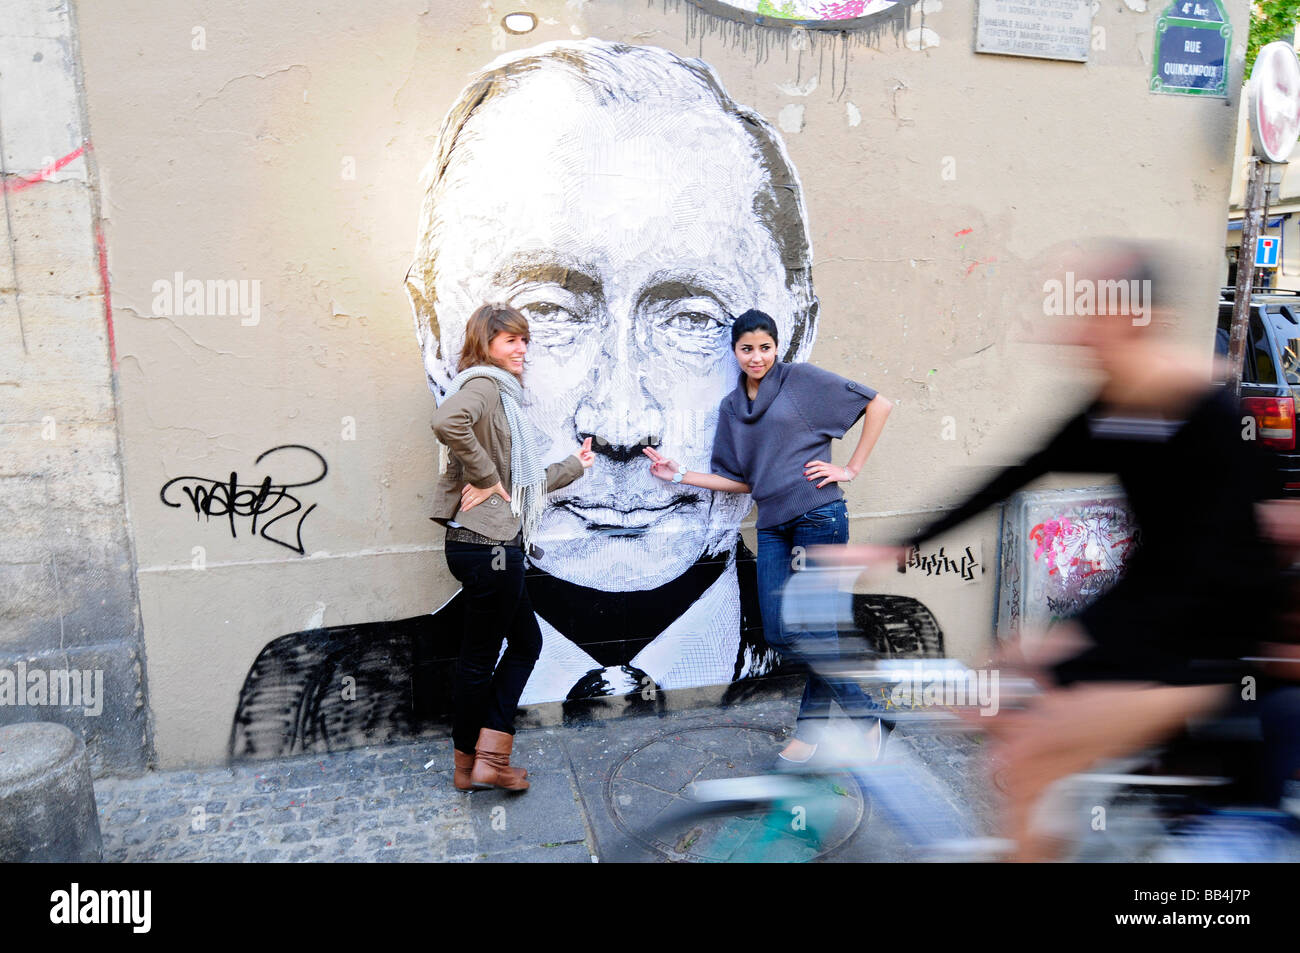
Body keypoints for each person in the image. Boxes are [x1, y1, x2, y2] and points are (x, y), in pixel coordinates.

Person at [839, 244, 1289, 859]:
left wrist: (1075, 644)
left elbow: (1217, 572)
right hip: (1146, 620)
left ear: (1136, 317)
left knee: (1024, 753)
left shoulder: (1203, 412)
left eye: (1091, 310)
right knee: (996, 706)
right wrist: (893, 547)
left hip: (1204, 651)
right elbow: (1015, 475)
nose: (1073, 329)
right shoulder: (1115, 406)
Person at [645, 308, 893, 762]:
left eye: (765, 347)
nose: (756, 357)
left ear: (777, 348)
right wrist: (679, 474)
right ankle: (866, 715)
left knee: (818, 632)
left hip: (819, 516)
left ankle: (812, 735)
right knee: (781, 632)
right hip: (773, 525)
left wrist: (850, 468)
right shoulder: (732, 408)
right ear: (735, 352)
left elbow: (880, 405)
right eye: (747, 349)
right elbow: (740, 480)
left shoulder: (801, 380)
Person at [430, 302, 594, 791]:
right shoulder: (484, 386)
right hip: (489, 547)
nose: (522, 348)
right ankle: (482, 763)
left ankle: (477, 764)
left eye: (525, 340)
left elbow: (519, 484)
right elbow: (447, 421)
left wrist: (574, 466)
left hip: (487, 545)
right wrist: (485, 476)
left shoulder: (502, 396)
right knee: (482, 658)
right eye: (511, 340)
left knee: (523, 644)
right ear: (486, 344)